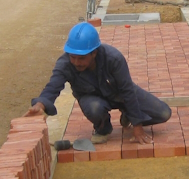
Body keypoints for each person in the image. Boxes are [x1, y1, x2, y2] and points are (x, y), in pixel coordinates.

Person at [25, 21, 171, 144]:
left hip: (119, 93)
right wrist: (40, 104)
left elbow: (127, 90)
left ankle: (129, 114)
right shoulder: (64, 64)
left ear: (94, 53)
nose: (76, 62)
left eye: (81, 58)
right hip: (91, 97)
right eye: (73, 57)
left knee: (163, 113)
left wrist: (137, 125)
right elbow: (53, 86)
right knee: (95, 107)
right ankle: (103, 128)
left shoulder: (113, 58)